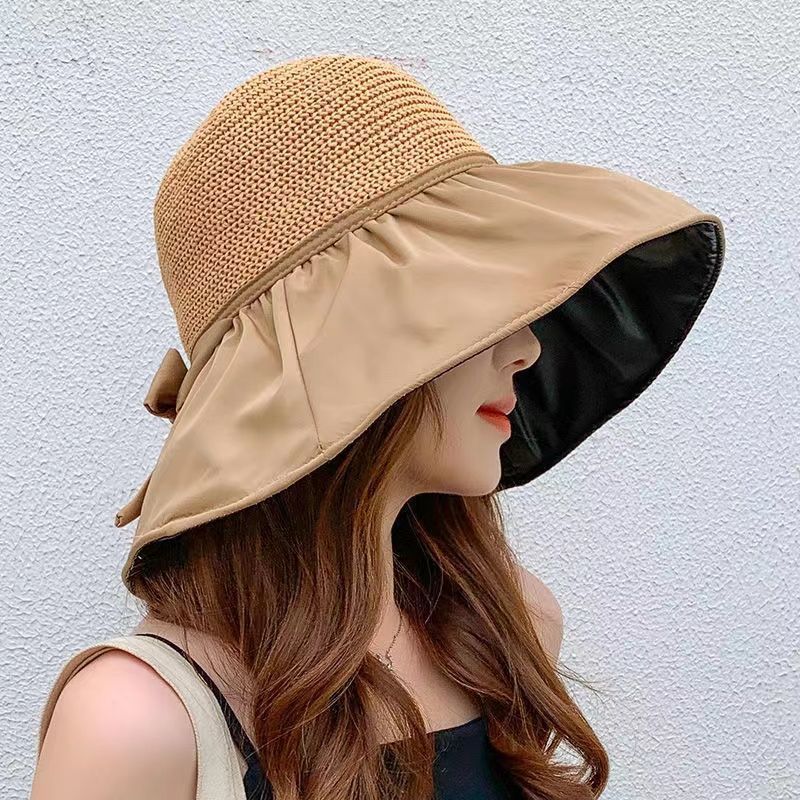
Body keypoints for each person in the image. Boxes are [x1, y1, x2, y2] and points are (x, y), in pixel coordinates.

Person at [31, 54, 725, 800]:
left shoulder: (507, 631)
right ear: (348, 348)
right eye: (472, 305)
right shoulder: (132, 722)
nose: (526, 348)